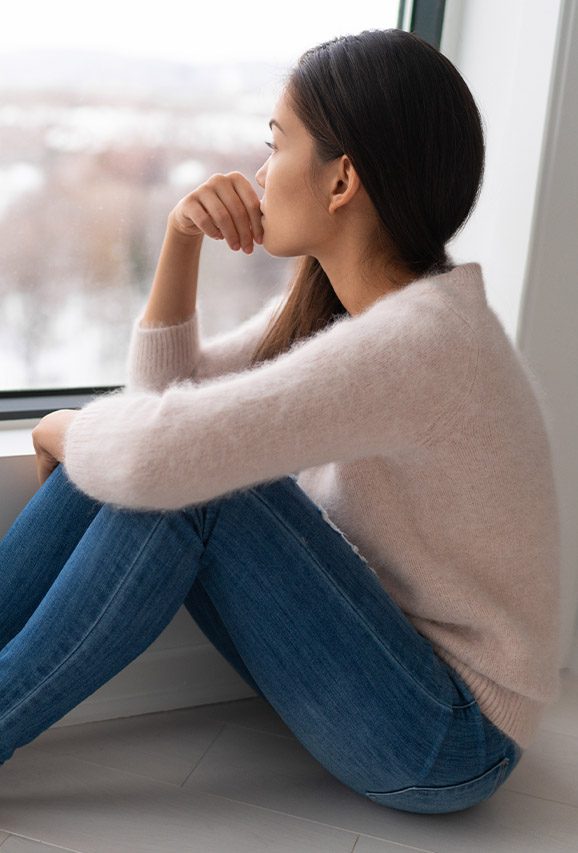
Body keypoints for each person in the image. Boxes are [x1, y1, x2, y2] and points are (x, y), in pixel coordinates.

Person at [0, 28, 560, 815]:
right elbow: (160, 414)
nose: (260, 172)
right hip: (373, 661)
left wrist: (61, 427)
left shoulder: (420, 343)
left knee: (198, 478)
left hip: (450, 738)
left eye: (277, 143)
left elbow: (160, 455)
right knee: (172, 461)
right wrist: (179, 239)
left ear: (341, 181)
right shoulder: (351, 310)